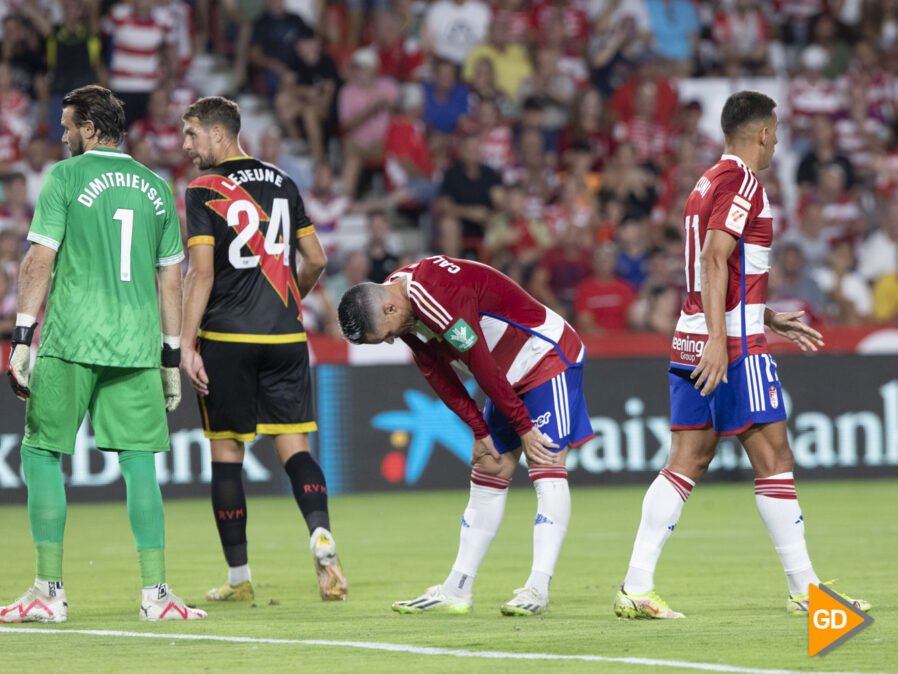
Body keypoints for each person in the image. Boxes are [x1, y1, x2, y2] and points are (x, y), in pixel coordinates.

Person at [614, 90, 870, 620]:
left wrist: (766, 313)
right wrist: (722, 337)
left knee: (686, 462)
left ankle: (636, 585)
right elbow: (713, 258)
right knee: (775, 461)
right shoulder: (742, 182)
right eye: (774, 127)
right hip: (729, 346)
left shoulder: (705, 182)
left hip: (694, 336)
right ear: (761, 132)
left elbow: (720, 269)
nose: (777, 137)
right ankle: (807, 591)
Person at [0, 85, 205, 624]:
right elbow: (170, 280)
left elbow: (39, 261)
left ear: (88, 128)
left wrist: (20, 337)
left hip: (73, 338)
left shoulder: (64, 177)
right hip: (135, 345)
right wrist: (170, 357)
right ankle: (157, 596)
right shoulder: (156, 186)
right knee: (140, 465)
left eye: (66, 126)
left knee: (40, 453)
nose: (62, 135)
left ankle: (47, 591)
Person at [337, 254, 594, 616]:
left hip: (544, 355)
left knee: (545, 460)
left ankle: (538, 587)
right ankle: (458, 588)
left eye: (388, 335)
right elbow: (436, 372)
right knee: (489, 468)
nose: (394, 341)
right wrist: (478, 428)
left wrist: (523, 426)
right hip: (503, 374)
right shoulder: (401, 300)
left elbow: (478, 361)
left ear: (391, 309)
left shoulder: (433, 296)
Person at [179, 96, 346, 603]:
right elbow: (315, 258)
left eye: (191, 134)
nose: (186, 145)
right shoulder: (283, 182)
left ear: (219, 134)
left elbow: (201, 273)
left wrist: (186, 344)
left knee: (227, 455)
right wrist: (291, 297)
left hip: (228, 338)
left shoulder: (203, 189)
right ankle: (320, 533)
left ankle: (239, 579)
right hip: (286, 337)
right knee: (295, 449)